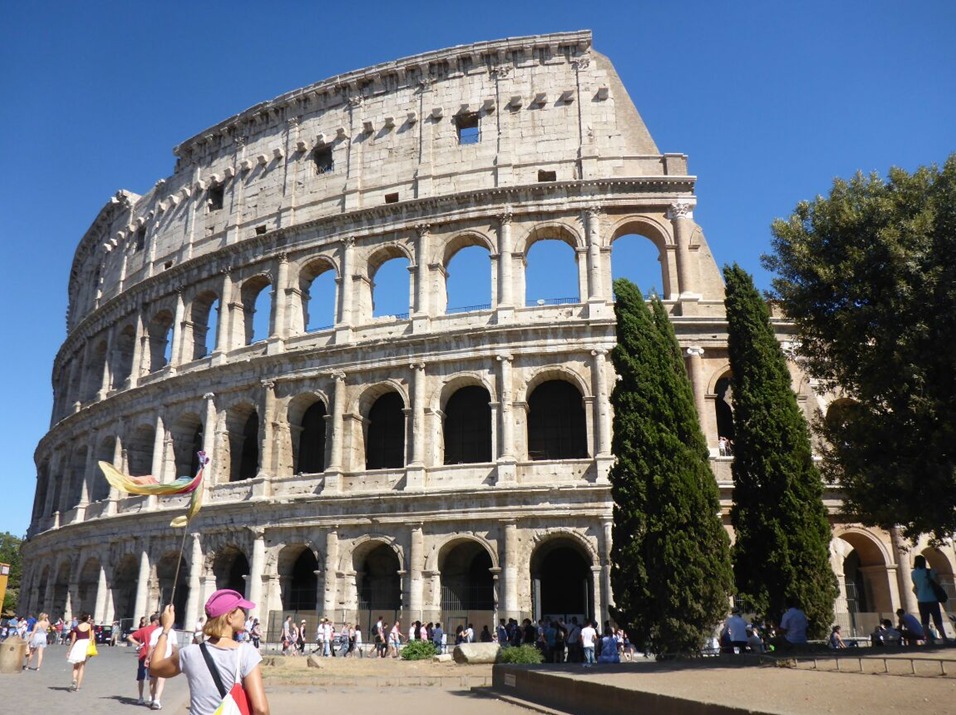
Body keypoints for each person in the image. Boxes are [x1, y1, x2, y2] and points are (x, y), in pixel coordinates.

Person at [149, 590, 269, 715]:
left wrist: (166, 628)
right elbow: (261, 709)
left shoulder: (189, 653)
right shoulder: (246, 652)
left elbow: (155, 668)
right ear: (229, 616)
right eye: (242, 609)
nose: (245, 613)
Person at [911, 555, 949, 644]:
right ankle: (944, 638)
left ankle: (928, 639)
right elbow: (937, 582)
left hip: (921, 600)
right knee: (937, 620)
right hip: (932, 599)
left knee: (924, 621)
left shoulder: (913, 573)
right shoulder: (930, 572)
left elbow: (916, 585)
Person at [129, 613, 161, 705]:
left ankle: (140, 697)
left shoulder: (143, 630)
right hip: (154, 656)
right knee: (153, 677)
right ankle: (151, 697)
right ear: (155, 620)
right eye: (159, 620)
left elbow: (130, 637)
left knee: (141, 678)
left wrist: (139, 644)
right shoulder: (158, 631)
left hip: (143, 655)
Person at [66, 612, 94, 692]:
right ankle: (78, 687)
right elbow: (92, 638)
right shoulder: (90, 626)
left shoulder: (76, 627)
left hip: (78, 645)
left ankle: (74, 679)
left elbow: (73, 640)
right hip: (86, 645)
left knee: (75, 666)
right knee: (82, 667)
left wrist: (69, 651)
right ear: (87, 618)